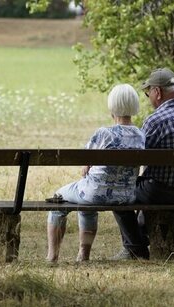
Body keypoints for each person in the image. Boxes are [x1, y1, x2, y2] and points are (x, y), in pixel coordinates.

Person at [112, 68, 174, 260]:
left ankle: (135, 248)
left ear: (157, 92)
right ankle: (140, 241)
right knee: (143, 187)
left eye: (148, 93)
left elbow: (136, 156)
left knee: (117, 192)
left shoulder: (155, 120)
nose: (149, 98)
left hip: (159, 191)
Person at [46, 84, 145, 262]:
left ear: (112, 106)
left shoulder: (103, 133)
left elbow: (85, 165)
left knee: (58, 198)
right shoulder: (140, 135)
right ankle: (83, 255)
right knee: (85, 201)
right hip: (126, 196)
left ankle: (52, 256)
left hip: (95, 194)